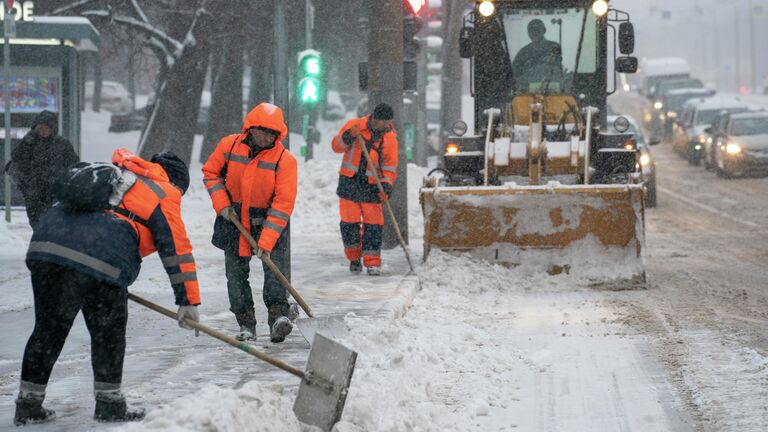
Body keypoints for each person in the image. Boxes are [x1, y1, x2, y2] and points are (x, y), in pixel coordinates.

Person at [14, 149, 200, 425]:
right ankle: (109, 404)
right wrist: (188, 300)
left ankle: (28, 405)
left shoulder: (110, 176)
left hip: (48, 251)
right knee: (107, 334)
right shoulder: (163, 192)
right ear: (176, 182)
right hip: (102, 261)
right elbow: (176, 250)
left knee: (48, 330)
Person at [202, 103, 298, 343]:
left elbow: (283, 203)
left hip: (269, 223)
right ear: (250, 128)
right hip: (232, 220)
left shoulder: (285, 160)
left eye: (272, 133)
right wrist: (222, 204)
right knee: (235, 277)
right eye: (262, 131)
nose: (266, 137)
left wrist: (265, 241)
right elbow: (211, 173)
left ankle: (278, 319)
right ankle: (246, 323)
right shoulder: (229, 145)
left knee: (276, 275)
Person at [331, 103, 398, 276]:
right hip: (349, 183)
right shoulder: (355, 126)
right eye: (384, 122)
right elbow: (336, 146)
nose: (386, 125)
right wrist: (347, 137)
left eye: (388, 122)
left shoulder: (389, 138)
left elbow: (389, 167)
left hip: (372, 187)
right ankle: (354, 258)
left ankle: (372, 262)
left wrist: (386, 186)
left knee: (374, 226)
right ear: (374, 118)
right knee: (349, 225)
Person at [5, 110, 79, 229]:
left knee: (52, 223)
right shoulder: (29, 142)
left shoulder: (62, 144)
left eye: (47, 127)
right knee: (36, 223)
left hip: (54, 192)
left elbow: (74, 164)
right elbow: (16, 159)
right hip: (33, 191)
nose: (44, 130)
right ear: (36, 127)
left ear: (52, 128)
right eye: (41, 127)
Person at [511, 19, 563, 92]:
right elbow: (514, 74)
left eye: (538, 29)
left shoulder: (554, 47)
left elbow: (558, 69)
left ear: (544, 30)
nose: (535, 33)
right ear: (528, 33)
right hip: (528, 94)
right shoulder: (523, 52)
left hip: (553, 91)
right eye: (531, 30)